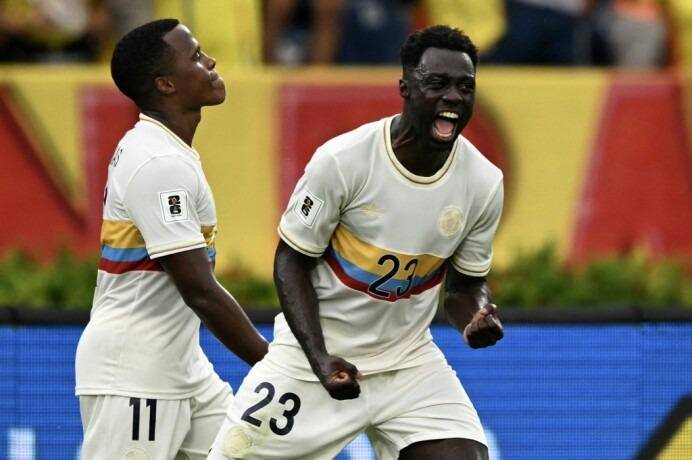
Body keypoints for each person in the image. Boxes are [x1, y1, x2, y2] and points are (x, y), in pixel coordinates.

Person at [208, 24, 504, 460]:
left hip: (408, 365)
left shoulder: (484, 182)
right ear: (405, 87)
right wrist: (319, 357)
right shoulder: (343, 162)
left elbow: (464, 286)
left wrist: (475, 315)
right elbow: (291, 262)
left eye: (465, 86)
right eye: (437, 84)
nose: (453, 97)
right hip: (314, 361)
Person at [74, 19, 268, 460]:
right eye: (196, 57)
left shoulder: (165, 150)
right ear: (166, 84)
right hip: (134, 374)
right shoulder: (158, 163)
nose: (211, 61)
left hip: (183, 369)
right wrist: (273, 364)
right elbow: (199, 290)